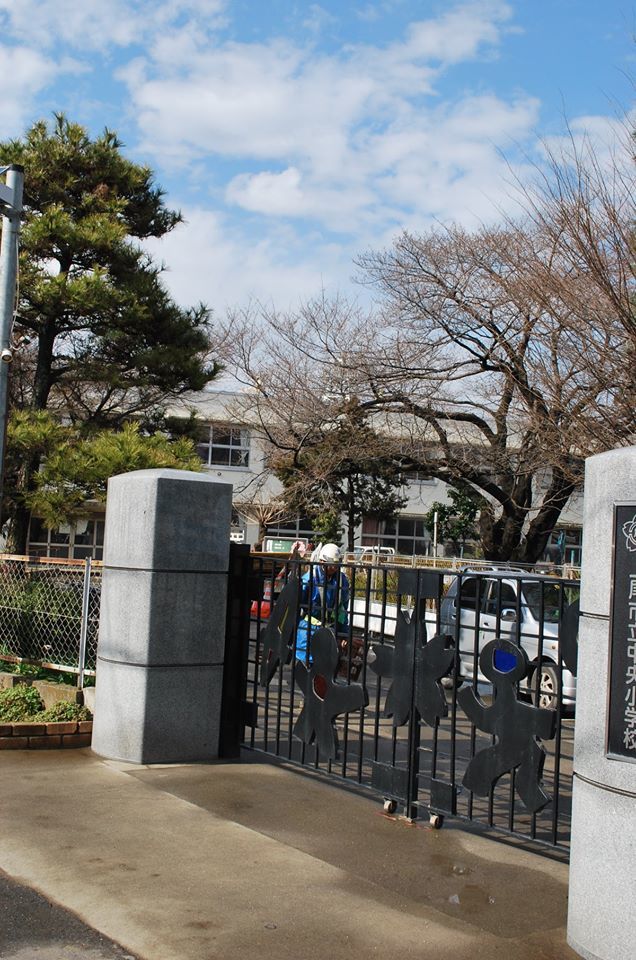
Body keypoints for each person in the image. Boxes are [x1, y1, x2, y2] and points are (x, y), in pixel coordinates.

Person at [295, 543, 350, 663]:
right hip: (308, 629)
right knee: (306, 666)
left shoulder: (342, 581)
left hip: (330, 630)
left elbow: (342, 610)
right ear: (321, 561)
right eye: (331, 565)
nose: (334, 568)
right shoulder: (309, 579)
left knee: (326, 667)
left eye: (336, 565)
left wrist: (343, 633)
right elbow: (296, 605)